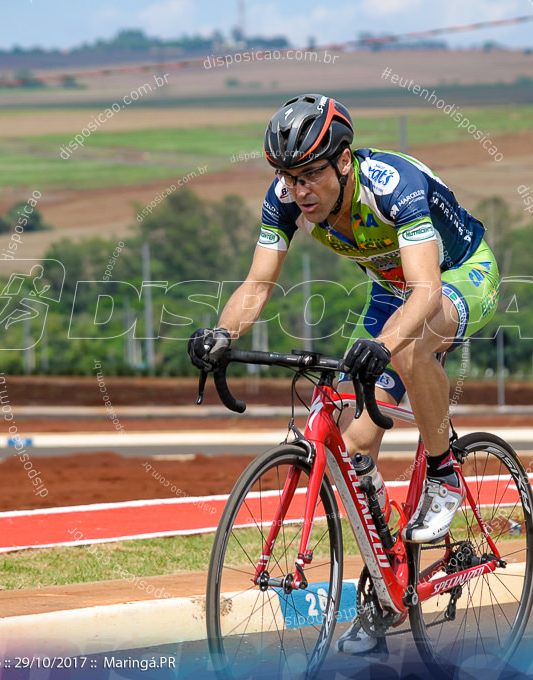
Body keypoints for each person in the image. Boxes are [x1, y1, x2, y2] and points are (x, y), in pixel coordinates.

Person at [188, 93, 500, 652]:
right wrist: (223, 334)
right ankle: (384, 591)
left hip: (456, 275)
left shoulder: (391, 185)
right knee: (351, 450)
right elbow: (257, 284)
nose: (298, 190)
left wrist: (383, 346)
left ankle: (445, 471)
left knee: (410, 347)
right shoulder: (285, 200)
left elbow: (426, 292)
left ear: (344, 161)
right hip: (390, 289)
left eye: (310, 175)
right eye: (287, 177)